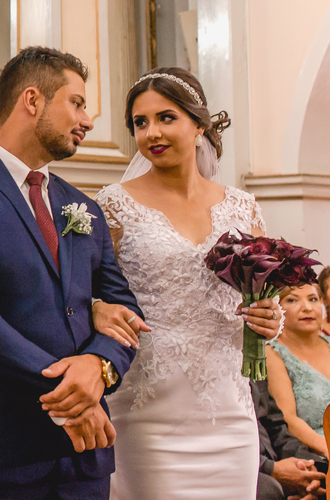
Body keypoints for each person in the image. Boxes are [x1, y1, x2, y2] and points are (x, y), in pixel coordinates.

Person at [0, 47, 143, 499]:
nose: (88, 120)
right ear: (33, 100)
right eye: (76, 103)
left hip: (80, 456)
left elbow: (125, 310)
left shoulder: (84, 207)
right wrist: (71, 393)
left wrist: (99, 367)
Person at [89, 66, 283, 500]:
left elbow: (261, 296)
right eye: (140, 122)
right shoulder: (113, 206)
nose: (152, 132)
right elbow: (86, 292)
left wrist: (271, 318)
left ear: (199, 126)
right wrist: (96, 308)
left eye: (166, 117)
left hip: (229, 414)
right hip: (146, 412)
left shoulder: (242, 206)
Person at [267, 283, 330, 457]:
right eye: (293, 300)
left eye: (313, 299)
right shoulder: (273, 353)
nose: (307, 308)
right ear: (277, 308)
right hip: (315, 453)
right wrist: (327, 448)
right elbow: (287, 418)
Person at [254, 378, 325, 500]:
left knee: (321, 478)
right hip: (245, 467)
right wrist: (270, 468)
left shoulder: (250, 360)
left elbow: (275, 425)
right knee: (269, 491)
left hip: (276, 459)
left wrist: (305, 466)